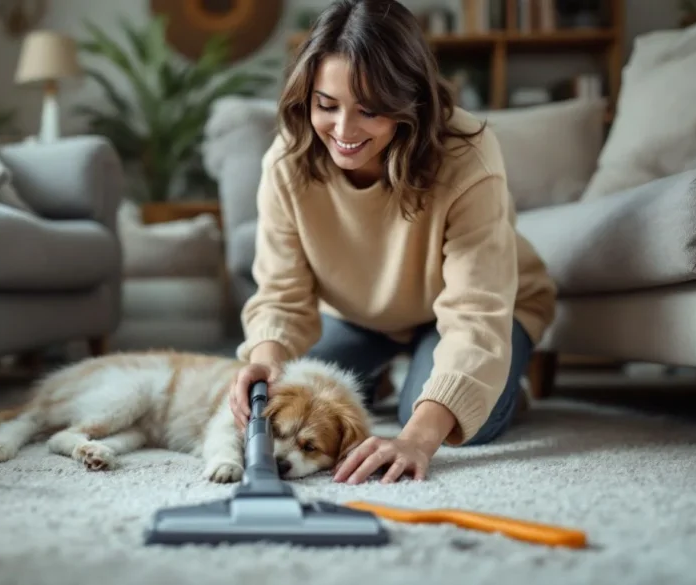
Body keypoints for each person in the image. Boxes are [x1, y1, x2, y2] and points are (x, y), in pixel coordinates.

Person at [227, 0, 557, 485]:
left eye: (370, 110)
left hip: (480, 311)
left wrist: (419, 437)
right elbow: (282, 293)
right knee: (303, 396)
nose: (343, 131)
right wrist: (266, 360)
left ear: (410, 102)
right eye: (326, 104)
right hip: (361, 316)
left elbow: (475, 312)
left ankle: (508, 387)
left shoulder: (467, 153)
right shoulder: (287, 161)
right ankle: (394, 372)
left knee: (429, 415)